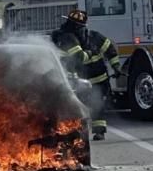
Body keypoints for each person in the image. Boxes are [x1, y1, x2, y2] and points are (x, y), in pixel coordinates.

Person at [52, 10, 121, 141]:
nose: (75, 28)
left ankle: (99, 132)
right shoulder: (67, 37)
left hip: (99, 78)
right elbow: (79, 57)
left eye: (78, 26)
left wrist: (116, 66)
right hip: (79, 80)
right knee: (78, 107)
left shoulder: (94, 37)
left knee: (98, 105)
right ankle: (76, 133)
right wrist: (90, 52)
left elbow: (110, 48)